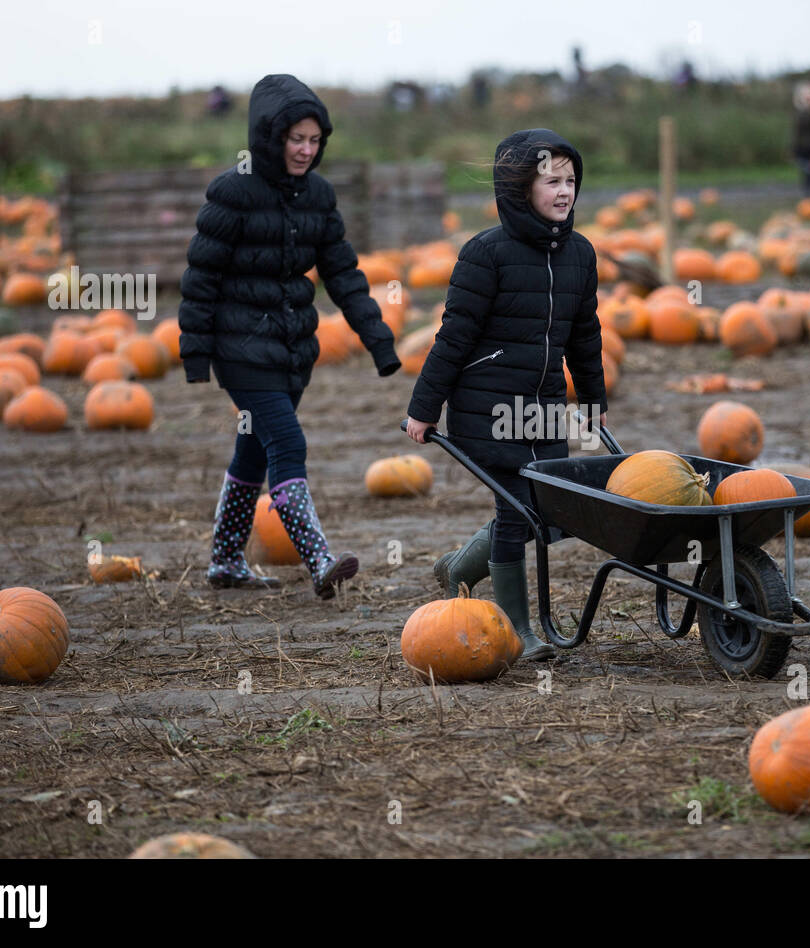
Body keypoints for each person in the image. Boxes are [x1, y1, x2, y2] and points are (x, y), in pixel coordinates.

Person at [179, 74, 401, 598]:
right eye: (294, 139)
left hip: (293, 351)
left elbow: (343, 275)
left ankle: (226, 562)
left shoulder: (318, 196)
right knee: (287, 441)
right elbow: (200, 277)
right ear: (269, 137)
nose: (305, 150)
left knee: (253, 453)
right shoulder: (233, 192)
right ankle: (318, 558)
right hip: (241, 349)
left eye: (314, 140)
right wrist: (196, 354)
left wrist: (379, 341)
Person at [405, 129, 608, 662]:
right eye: (551, 181)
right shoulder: (485, 255)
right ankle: (519, 630)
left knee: (556, 511)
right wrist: (423, 409)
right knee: (517, 512)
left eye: (570, 181)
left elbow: (585, 334)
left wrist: (591, 400)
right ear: (521, 188)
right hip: (488, 407)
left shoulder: (580, 254)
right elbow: (454, 337)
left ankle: (459, 567)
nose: (564, 192)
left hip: (543, 407)